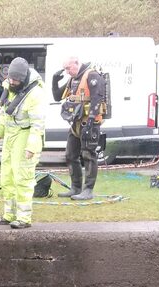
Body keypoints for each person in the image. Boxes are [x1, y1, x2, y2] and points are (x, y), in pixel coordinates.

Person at [0, 57, 45, 229]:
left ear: (23, 78)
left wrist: (31, 147)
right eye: (10, 78)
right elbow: (4, 113)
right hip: (10, 136)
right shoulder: (9, 86)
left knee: (22, 176)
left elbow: (38, 125)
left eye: (15, 80)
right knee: (7, 176)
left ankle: (24, 217)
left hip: (25, 134)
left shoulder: (35, 94)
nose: (11, 82)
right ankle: (9, 214)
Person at [51, 57, 105, 200]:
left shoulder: (92, 75)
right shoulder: (72, 79)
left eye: (69, 68)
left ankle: (88, 190)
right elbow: (57, 97)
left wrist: (91, 122)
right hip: (75, 123)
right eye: (66, 69)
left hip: (89, 123)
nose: (68, 72)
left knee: (88, 155)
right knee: (70, 155)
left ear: (76, 63)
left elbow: (97, 99)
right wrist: (54, 80)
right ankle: (75, 188)